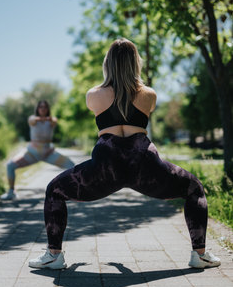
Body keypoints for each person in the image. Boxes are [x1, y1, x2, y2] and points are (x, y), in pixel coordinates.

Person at [28, 39, 221, 270]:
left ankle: (53, 255)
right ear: (135, 63)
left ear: (107, 63)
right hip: (144, 165)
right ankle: (199, 254)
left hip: (106, 166)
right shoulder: (149, 95)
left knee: (54, 190)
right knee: (194, 188)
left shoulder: (93, 95)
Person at [0, 100, 74, 200]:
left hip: (48, 154)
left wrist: (52, 146)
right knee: (10, 165)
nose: (43, 109)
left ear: (48, 109)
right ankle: (11, 192)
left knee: (71, 166)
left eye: (45, 107)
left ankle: (72, 191)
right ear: (37, 109)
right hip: (32, 154)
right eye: (41, 107)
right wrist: (44, 119)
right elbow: (33, 120)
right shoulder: (32, 119)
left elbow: (54, 120)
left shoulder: (51, 120)